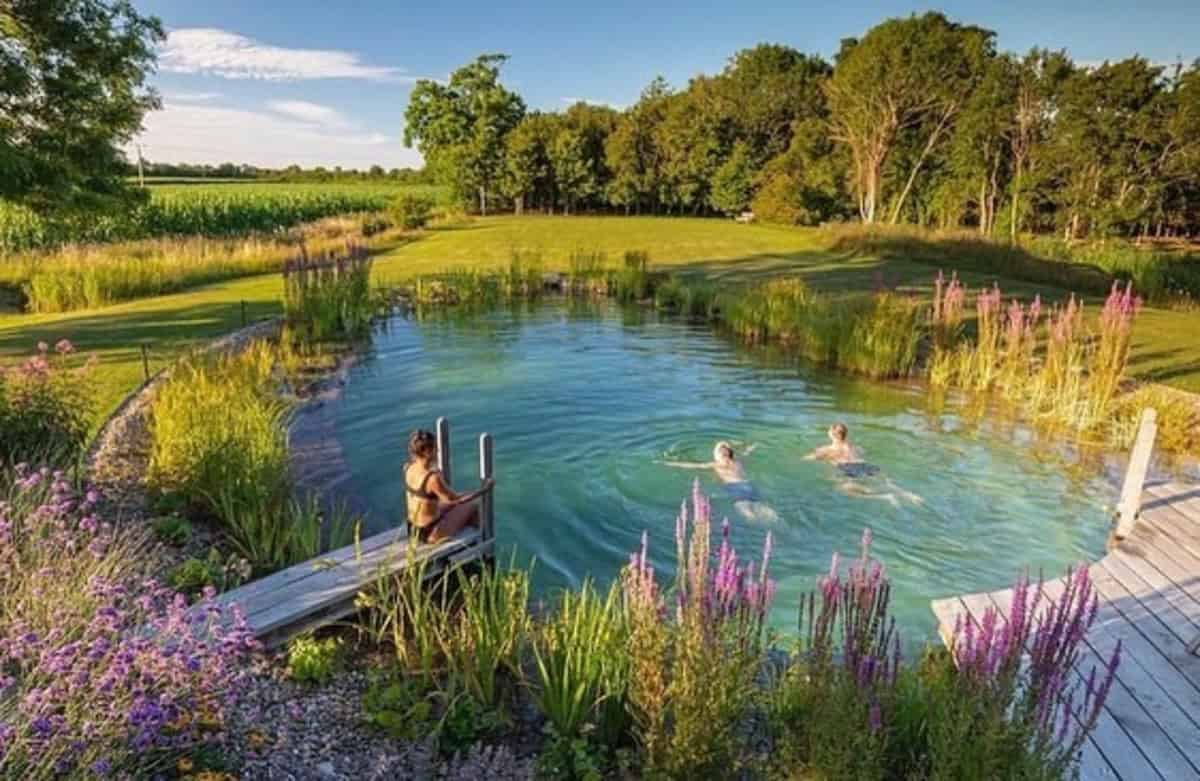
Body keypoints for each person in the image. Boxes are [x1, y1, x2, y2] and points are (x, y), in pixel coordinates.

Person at [403, 429, 493, 543]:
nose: (438, 450)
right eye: (435, 447)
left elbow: (437, 498)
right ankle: (479, 541)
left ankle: (466, 532)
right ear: (427, 451)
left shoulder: (408, 467)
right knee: (472, 506)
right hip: (430, 533)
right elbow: (457, 500)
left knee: (460, 498)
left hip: (413, 529)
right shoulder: (432, 478)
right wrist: (485, 489)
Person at [805, 423, 920, 506]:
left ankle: (883, 497)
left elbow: (813, 457)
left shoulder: (828, 449)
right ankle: (907, 494)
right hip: (865, 465)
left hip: (848, 467)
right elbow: (863, 452)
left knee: (844, 489)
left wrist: (807, 457)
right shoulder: (854, 447)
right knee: (886, 483)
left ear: (833, 435)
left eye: (829, 431)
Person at [662, 441, 778, 521]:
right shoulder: (738, 461)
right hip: (748, 485)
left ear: (717, 454)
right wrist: (753, 445)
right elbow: (748, 451)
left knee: (743, 508)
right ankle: (772, 516)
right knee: (758, 503)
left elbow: (692, 466)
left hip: (734, 487)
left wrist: (668, 463)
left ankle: (753, 520)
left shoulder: (716, 464)